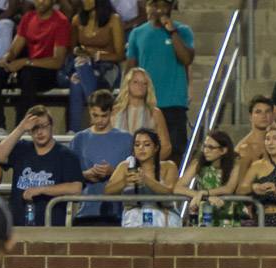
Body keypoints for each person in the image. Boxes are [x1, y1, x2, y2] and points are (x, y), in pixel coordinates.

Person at [0, 105, 83, 226]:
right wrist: (21, 128)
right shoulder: (22, 148)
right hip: (18, 225)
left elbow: (76, 188)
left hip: (50, 227)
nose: (39, 132)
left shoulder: (66, 155)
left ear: (52, 126)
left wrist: (42, 189)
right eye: (35, 128)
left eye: (43, 126)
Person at [0, 0, 70, 131]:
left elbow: (57, 61)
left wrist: (25, 62)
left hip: (48, 72)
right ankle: (0, 128)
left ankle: (20, 129)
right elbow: (13, 50)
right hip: (28, 67)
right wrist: (5, 61)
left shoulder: (61, 21)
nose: (40, 2)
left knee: (27, 74)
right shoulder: (28, 17)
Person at [125, 0, 193, 162]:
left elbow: (186, 59)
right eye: (154, 5)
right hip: (147, 104)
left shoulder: (183, 31)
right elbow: (130, 69)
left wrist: (172, 32)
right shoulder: (137, 33)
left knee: (175, 151)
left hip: (174, 103)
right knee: (144, 151)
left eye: (164, 5)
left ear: (171, 7)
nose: (159, 10)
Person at [70, 89, 132, 225]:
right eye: (95, 115)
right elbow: (69, 177)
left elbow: (135, 175)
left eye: (104, 116)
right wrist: (87, 174)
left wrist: (113, 172)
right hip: (86, 212)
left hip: (119, 214)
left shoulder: (127, 139)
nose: (99, 120)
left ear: (112, 112)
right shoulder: (79, 139)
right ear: (89, 111)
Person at [65, 0, 123, 131]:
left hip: (107, 69)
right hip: (85, 67)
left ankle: (80, 126)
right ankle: (75, 132)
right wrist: (80, 52)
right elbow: (73, 50)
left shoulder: (114, 19)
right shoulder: (77, 20)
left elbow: (119, 55)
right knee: (76, 79)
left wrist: (95, 54)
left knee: (79, 73)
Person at [104, 126, 176, 224]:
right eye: (137, 145)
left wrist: (146, 180)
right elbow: (107, 191)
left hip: (164, 220)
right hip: (133, 220)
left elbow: (169, 191)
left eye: (146, 144)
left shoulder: (168, 166)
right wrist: (124, 182)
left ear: (156, 147)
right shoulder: (125, 166)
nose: (141, 148)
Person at [175, 128, 240, 226]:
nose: (206, 151)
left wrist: (205, 193)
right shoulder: (198, 162)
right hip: (204, 212)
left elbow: (229, 188)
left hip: (226, 211)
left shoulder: (235, 163)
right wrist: (200, 196)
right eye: (204, 146)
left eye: (211, 147)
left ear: (223, 150)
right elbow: (178, 188)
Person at [111, 66, 171, 160]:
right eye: (136, 82)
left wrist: (149, 164)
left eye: (144, 83)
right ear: (128, 84)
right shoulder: (115, 112)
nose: (140, 86)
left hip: (145, 167)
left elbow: (166, 147)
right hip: (116, 165)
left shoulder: (155, 113)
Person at [235, 94, 272, 174]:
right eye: (258, 112)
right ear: (250, 117)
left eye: (267, 111)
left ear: (272, 115)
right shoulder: (243, 148)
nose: (264, 116)